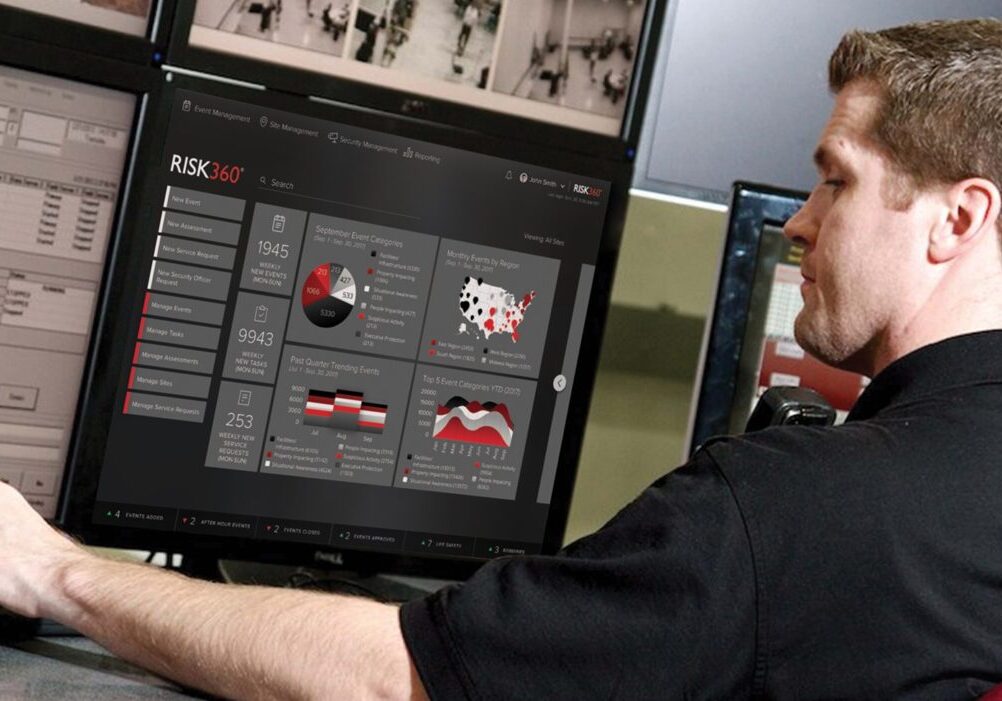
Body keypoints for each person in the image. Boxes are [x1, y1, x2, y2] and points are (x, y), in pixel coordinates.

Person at [2, 17, 1002, 700]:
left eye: (835, 181)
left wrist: (55, 570)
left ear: (959, 216)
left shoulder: (798, 513)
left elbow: (396, 676)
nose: (800, 221)